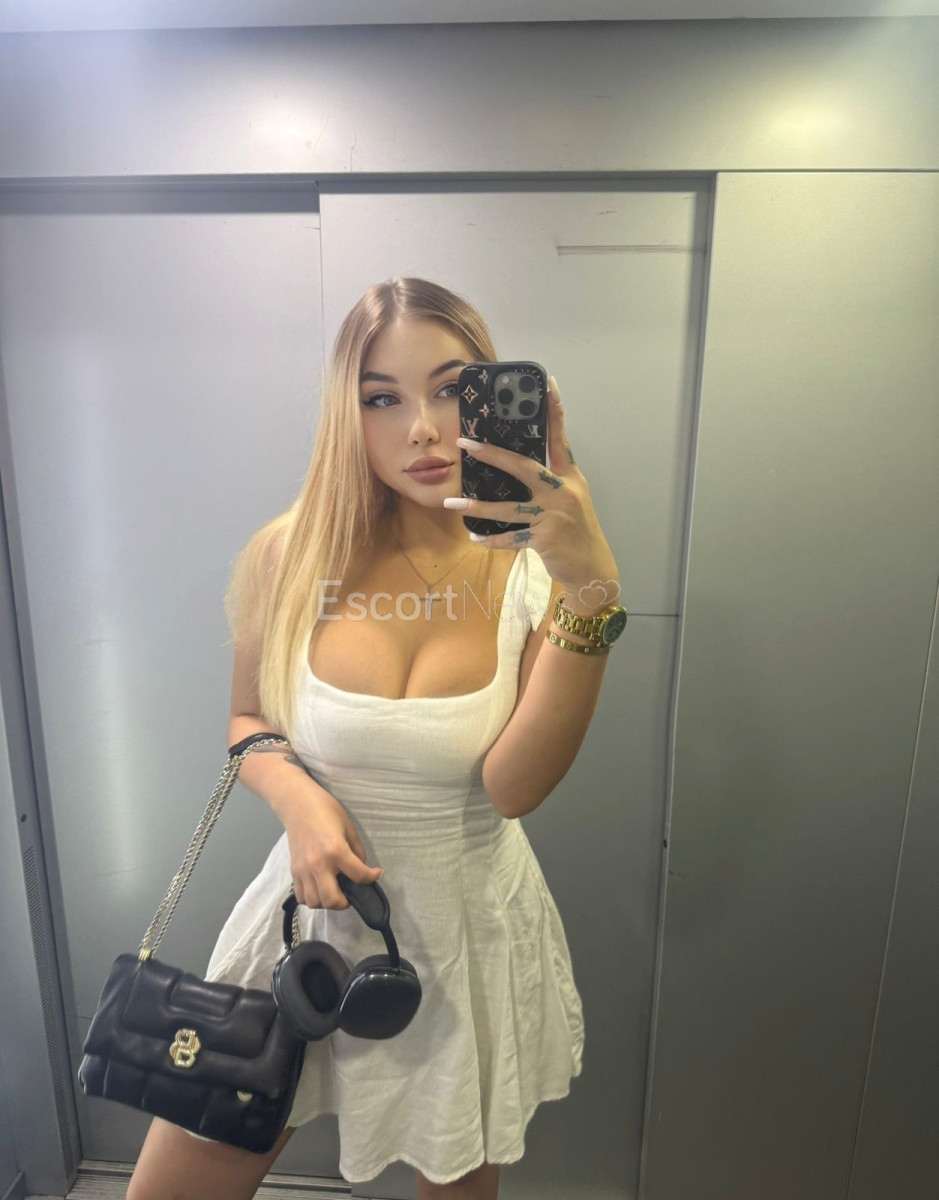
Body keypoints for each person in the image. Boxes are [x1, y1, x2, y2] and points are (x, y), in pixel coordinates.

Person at [126, 277, 623, 1200]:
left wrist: (591, 589)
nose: (422, 430)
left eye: (450, 390)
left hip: (467, 931)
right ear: (345, 416)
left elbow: (514, 787)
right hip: (306, 921)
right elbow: (248, 722)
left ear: (495, 398)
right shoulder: (292, 554)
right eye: (381, 399)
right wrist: (301, 804)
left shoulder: (537, 571)